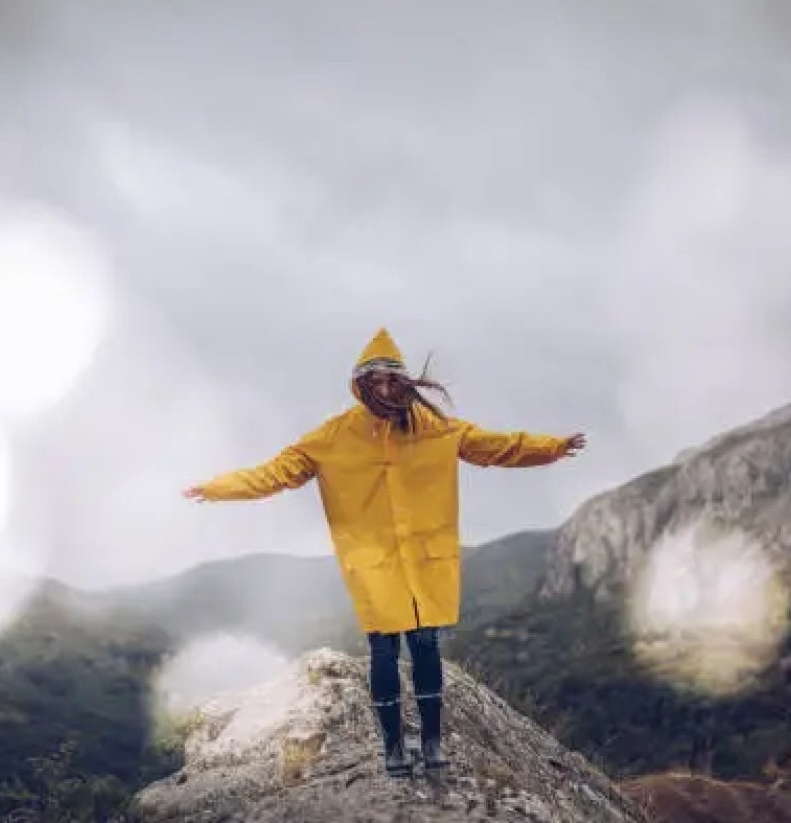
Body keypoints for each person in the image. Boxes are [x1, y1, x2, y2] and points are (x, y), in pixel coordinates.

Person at [183, 328, 586, 777]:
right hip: (373, 560)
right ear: (360, 387)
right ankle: (394, 749)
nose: (383, 390)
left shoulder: (437, 431)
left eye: (390, 382)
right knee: (383, 648)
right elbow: (273, 474)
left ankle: (432, 745)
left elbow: (499, 447)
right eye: (373, 383)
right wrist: (217, 488)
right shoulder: (331, 438)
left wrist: (553, 447)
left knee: (427, 644)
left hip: (425, 557)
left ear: (405, 384)